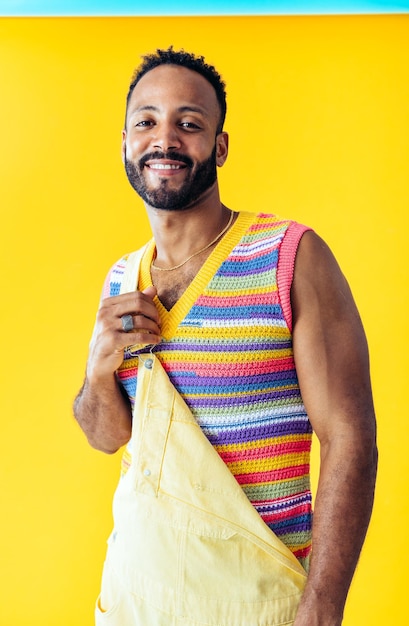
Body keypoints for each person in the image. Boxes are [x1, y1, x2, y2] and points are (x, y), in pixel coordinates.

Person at [74, 47, 378, 626]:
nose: (165, 139)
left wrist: (322, 608)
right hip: (136, 597)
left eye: (189, 123)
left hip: (258, 602)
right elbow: (107, 437)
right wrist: (95, 373)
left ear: (219, 145)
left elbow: (352, 440)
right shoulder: (122, 277)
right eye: (147, 121)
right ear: (125, 142)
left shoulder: (289, 256)